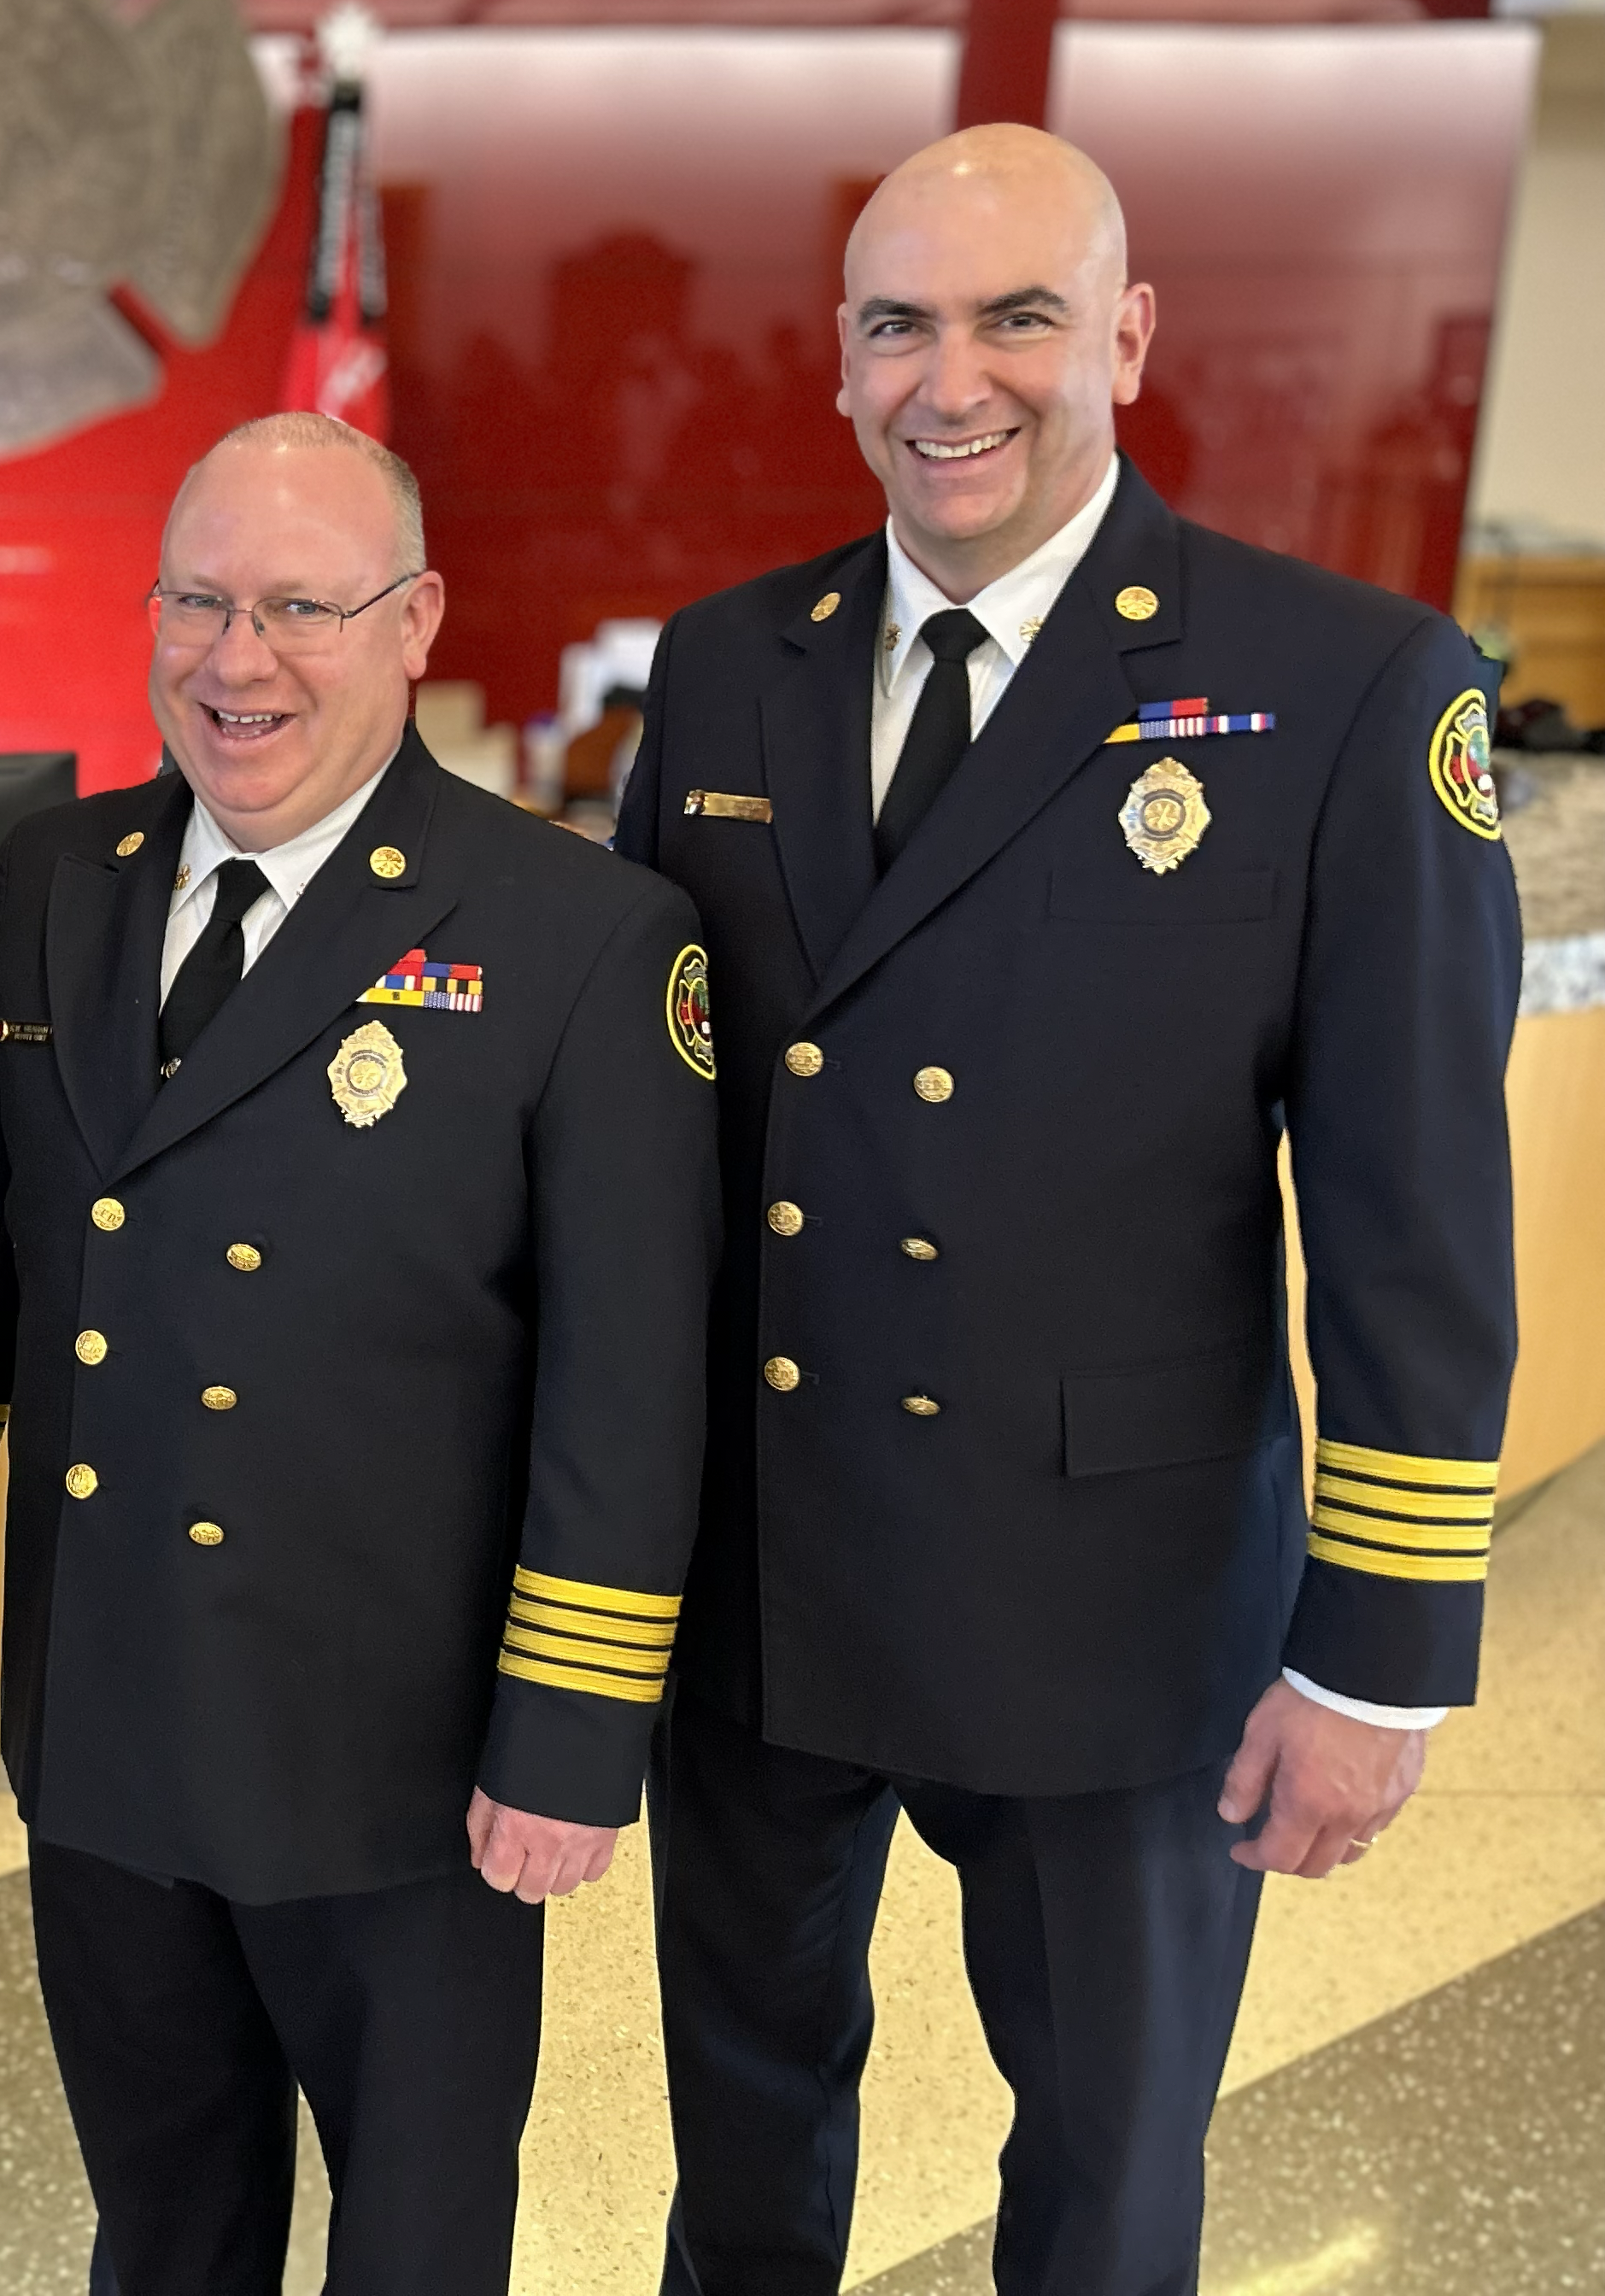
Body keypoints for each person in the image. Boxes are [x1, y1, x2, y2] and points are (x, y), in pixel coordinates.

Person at [614, 125, 1522, 2295]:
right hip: (766, 1568)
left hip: (1123, 1608)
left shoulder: (1346, 687)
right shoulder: (731, 666)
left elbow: (1412, 1206)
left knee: (1105, 2197)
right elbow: (646, 1131)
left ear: (1123, 335)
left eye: (1019, 317)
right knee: (740, 2156)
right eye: (901, 325)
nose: (958, 380)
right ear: (838, 366)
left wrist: (1379, 1651)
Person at [0, 413, 719, 2293]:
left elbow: (629, 1378)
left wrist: (572, 1738)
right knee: (164, 2225)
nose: (236, 662)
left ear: (416, 622)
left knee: (413, 2248)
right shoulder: (58, 877)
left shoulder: (583, 934)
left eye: (302, 610)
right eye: (198, 601)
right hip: (110, 1717)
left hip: (406, 1765)